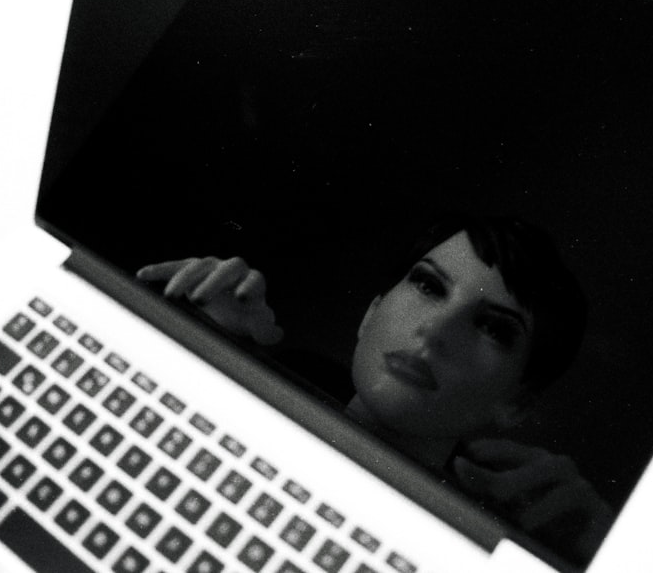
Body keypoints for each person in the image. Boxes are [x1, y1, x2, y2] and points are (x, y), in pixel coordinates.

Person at [138, 214, 612, 564]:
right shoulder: (270, 377)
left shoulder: (474, 542)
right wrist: (185, 348)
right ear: (370, 313)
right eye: (428, 285)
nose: (436, 329)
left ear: (518, 402)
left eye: (492, 328)